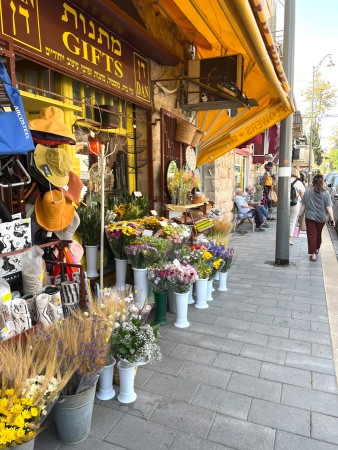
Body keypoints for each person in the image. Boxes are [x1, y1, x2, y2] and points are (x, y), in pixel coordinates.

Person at [298, 174, 335, 262]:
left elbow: (303, 205)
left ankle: (313, 254)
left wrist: (299, 215)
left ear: (313, 182)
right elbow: (329, 207)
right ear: (322, 182)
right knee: (318, 234)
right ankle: (317, 249)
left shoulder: (308, 191)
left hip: (310, 217)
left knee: (311, 235)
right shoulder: (326, 193)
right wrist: (332, 218)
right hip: (321, 218)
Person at [289, 167, 306, 245]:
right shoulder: (299, 183)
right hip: (294, 204)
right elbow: (303, 196)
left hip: (283, 204)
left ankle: (281, 237)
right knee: (292, 221)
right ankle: (289, 239)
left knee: (283, 220)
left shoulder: (283, 180)